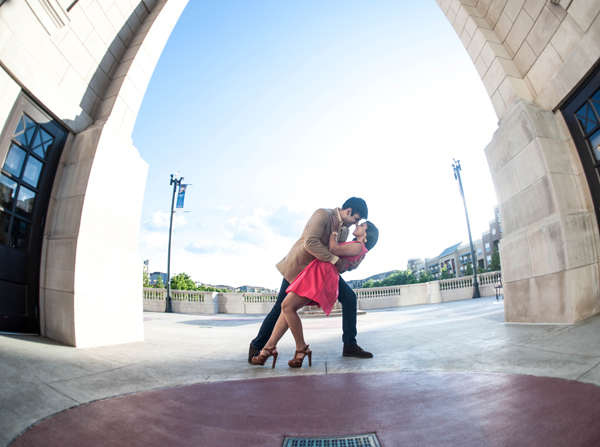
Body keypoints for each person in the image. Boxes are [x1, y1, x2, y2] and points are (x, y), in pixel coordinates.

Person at [248, 197, 373, 364]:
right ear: (349, 211)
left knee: (349, 298)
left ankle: (350, 344)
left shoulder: (344, 231)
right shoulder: (322, 215)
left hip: (321, 271)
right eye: (356, 219)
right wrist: (336, 260)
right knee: (281, 307)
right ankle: (258, 346)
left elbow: (339, 253)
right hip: (300, 267)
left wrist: (350, 264)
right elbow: (310, 243)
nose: (355, 224)